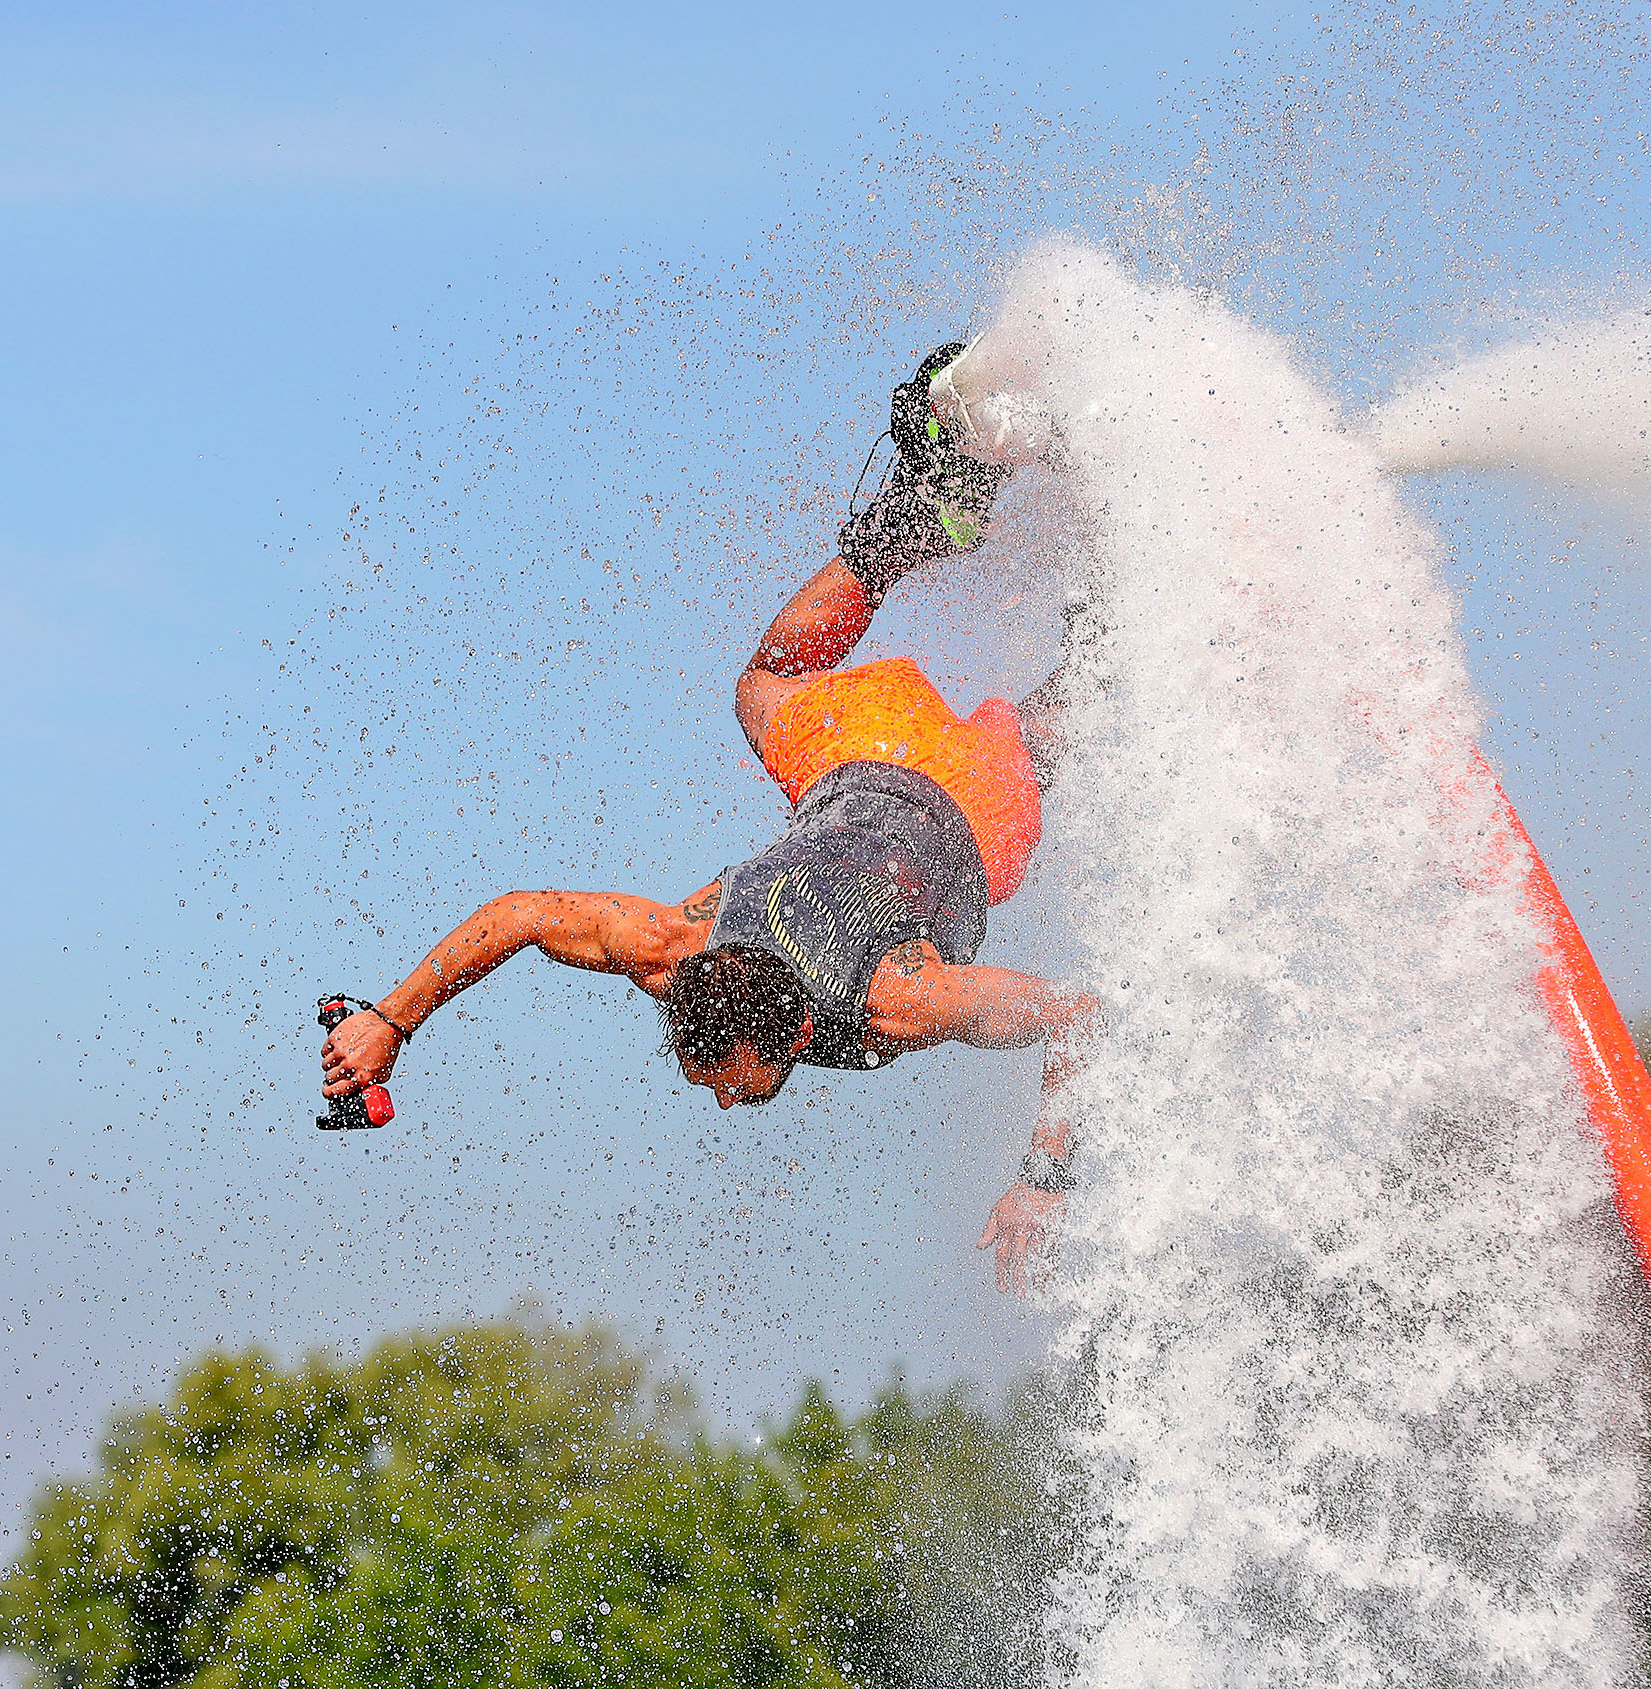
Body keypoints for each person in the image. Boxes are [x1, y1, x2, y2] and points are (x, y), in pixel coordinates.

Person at [319, 346, 1087, 1294]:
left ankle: (1084, 632)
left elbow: (1082, 1018)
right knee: (766, 683)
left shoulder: (898, 997)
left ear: (797, 1033)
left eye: (726, 1077)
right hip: (859, 760)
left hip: (967, 804)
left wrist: (1042, 1183)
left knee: (1044, 739)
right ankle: (913, 521)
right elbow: (518, 912)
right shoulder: (678, 944)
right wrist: (391, 1021)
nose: (721, 1098)